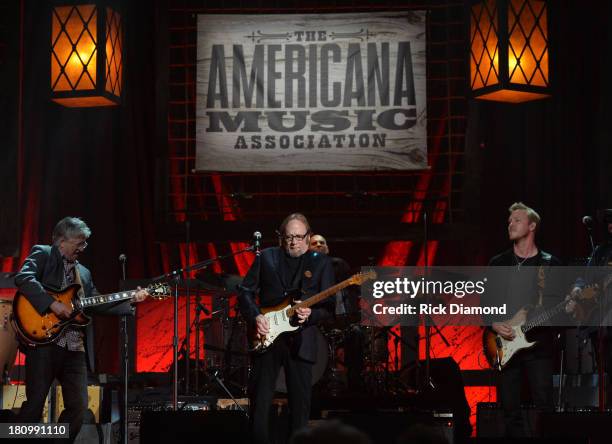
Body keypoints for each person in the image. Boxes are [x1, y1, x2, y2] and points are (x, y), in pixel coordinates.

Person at [14, 217, 148, 442]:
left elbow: (97, 303)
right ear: (62, 241)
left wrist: (131, 300)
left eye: (84, 243)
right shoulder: (44, 253)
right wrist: (52, 304)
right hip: (44, 343)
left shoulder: (83, 272)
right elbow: (24, 277)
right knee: (34, 407)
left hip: (74, 348)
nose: (83, 247)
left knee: (78, 409)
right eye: (80, 242)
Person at [238, 213, 335, 444]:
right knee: (260, 402)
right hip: (267, 336)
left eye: (299, 237)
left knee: (300, 406)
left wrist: (311, 314)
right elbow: (245, 292)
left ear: (308, 236)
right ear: (280, 237)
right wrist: (256, 316)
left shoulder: (320, 263)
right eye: (289, 237)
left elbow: (330, 309)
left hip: (302, 340)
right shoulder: (267, 257)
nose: (294, 242)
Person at [488, 202, 562, 437]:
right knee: (509, 409)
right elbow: (486, 303)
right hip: (505, 345)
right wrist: (493, 323)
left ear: (531, 226)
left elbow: (557, 306)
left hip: (538, 347)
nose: (510, 224)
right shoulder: (498, 263)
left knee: (544, 406)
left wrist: (566, 306)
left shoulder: (550, 264)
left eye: (517, 220)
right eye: (509, 221)